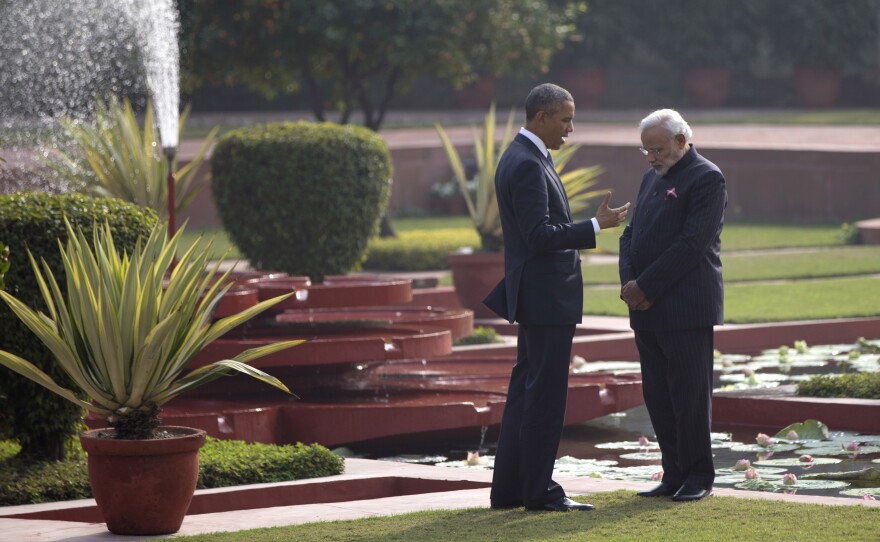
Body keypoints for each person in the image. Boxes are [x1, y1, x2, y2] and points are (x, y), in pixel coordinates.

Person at [483, 83, 630, 512]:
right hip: (546, 299)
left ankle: (510, 490)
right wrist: (595, 227)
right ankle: (540, 493)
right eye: (565, 119)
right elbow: (538, 236)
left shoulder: (522, 155)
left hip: (538, 297)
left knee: (526, 394)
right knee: (544, 396)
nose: (570, 128)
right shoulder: (527, 163)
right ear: (541, 117)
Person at [618, 109, 726, 502]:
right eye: (646, 150)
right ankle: (673, 473)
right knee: (658, 394)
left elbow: (691, 245)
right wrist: (630, 285)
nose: (651, 158)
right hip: (646, 308)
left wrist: (644, 286)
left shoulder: (707, 177)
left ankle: (698, 476)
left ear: (682, 141)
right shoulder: (652, 177)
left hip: (685, 308)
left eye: (657, 149)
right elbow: (629, 236)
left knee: (689, 395)